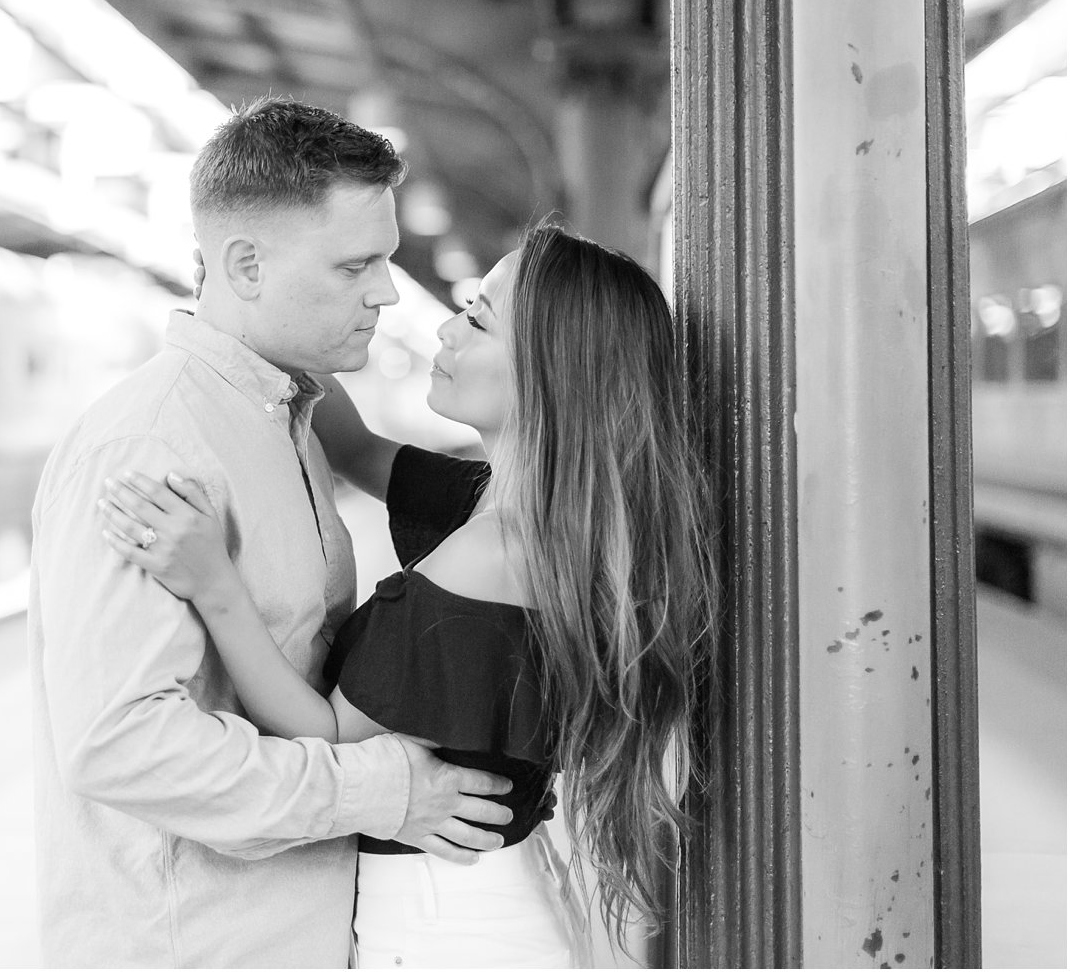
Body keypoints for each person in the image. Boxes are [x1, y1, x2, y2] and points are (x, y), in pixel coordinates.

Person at [99, 224, 716, 967]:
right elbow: (359, 450)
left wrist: (213, 583)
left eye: (480, 319)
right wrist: (248, 323)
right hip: (477, 900)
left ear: (552, 372)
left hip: (444, 924)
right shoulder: (525, 514)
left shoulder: (493, 552)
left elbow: (321, 734)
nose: (448, 331)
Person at [29, 96, 516, 969]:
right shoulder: (153, 448)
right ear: (246, 264)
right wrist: (382, 791)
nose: (387, 293)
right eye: (354, 266)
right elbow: (124, 747)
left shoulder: (286, 415)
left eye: (388, 261)